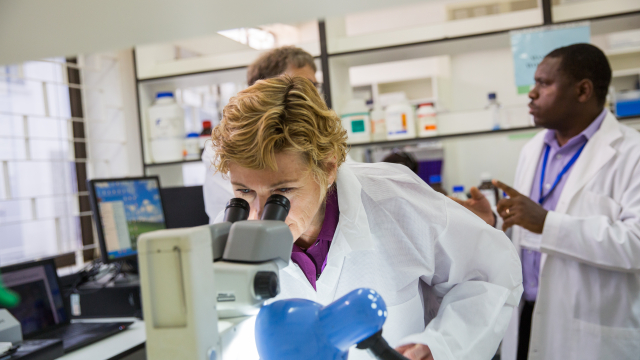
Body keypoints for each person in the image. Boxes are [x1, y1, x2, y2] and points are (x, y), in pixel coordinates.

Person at [210, 75, 523, 360]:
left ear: (328, 168)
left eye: (283, 193)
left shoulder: (394, 199)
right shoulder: (228, 235)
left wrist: (440, 346)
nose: (261, 215)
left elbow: (491, 273)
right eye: (245, 192)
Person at [451, 43, 640, 360]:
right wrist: (496, 225)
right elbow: (528, 235)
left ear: (582, 91)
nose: (532, 94)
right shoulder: (534, 148)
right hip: (527, 317)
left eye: (544, 83)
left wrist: (548, 223)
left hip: (592, 332)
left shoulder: (632, 152)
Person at [202, 46, 318, 221]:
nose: (312, 95)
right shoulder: (229, 147)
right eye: (302, 86)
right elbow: (264, 207)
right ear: (265, 89)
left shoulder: (316, 136)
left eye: (314, 86)